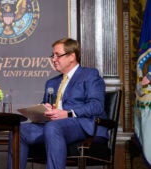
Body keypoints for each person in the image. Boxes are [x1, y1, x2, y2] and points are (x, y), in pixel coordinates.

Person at [8, 38, 108, 169]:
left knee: (53, 127)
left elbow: (96, 106)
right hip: (53, 124)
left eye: (58, 55)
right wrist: (44, 109)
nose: (53, 59)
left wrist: (67, 113)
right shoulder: (52, 82)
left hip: (82, 124)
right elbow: (45, 104)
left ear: (72, 56)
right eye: (52, 55)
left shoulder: (90, 75)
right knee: (19, 130)